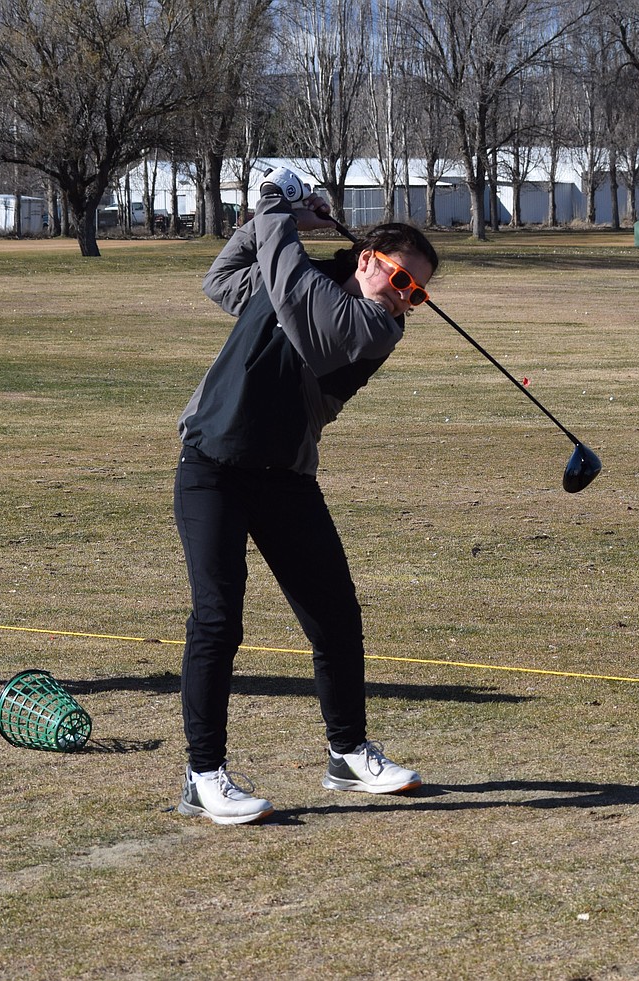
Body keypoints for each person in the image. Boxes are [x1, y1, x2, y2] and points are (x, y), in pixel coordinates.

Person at [173, 166, 438, 825]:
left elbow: (288, 285)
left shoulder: (372, 330)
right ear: (368, 258)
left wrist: (277, 207)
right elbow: (225, 278)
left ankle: (347, 754)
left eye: (419, 294)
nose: (408, 298)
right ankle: (202, 775)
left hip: (284, 478)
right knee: (217, 619)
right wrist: (277, 222)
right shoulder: (310, 285)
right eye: (403, 279)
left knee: (334, 616)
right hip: (211, 468)